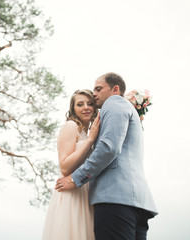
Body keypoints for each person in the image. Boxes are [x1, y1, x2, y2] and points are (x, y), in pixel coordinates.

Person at [56, 73, 158, 240]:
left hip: (115, 200)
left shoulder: (115, 103)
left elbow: (109, 148)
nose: (94, 94)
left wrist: (75, 178)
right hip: (137, 202)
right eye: (80, 104)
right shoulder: (124, 111)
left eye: (98, 89)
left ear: (115, 89)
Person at [42, 89, 100, 240]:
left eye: (90, 104)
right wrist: (89, 141)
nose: (86, 107)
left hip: (85, 191)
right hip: (71, 192)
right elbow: (65, 166)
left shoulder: (89, 133)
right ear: (73, 109)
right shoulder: (71, 126)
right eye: (80, 104)